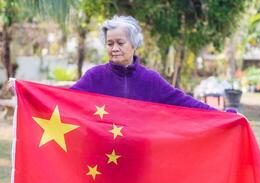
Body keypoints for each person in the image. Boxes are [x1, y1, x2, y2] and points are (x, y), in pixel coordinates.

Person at [70, 15, 217, 111]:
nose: (114, 48)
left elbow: (182, 101)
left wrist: (222, 115)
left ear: (134, 44)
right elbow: (65, 99)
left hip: (140, 155)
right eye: (110, 44)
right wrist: (45, 100)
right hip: (101, 155)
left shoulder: (150, 79)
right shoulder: (94, 76)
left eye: (120, 43)